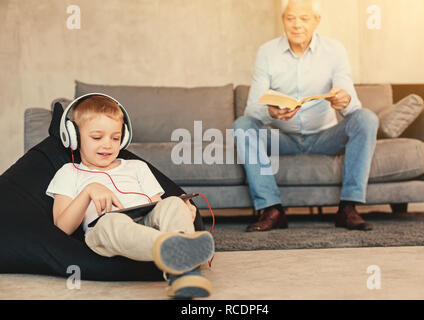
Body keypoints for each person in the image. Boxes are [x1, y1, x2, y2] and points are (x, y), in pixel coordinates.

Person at [46, 94, 214, 298]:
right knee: (112, 223)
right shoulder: (69, 172)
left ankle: (184, 273)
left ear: (123, 137)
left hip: (147, 220)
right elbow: (61, 226)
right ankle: (176, 249)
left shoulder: (137, 167)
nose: (108, 145)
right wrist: (88, 191)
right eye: (97, 137)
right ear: (74, 137)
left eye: (115, 138)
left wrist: (184, 213)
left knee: (173, 203)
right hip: (105, 228)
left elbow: (159, 207)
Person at [233, 0, 379, 232]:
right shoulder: (267, 52)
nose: (297, 25)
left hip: (325, 137)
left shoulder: (335, 50)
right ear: (283, 21)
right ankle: (272, 210)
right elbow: (252, 109)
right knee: (242, 125)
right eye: (290, 19)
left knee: (366, 118)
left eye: (304, 18)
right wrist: (270, 111)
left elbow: (352, 105)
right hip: (283, 139)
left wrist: (344, 99)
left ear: (317, 21)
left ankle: (348, 208)